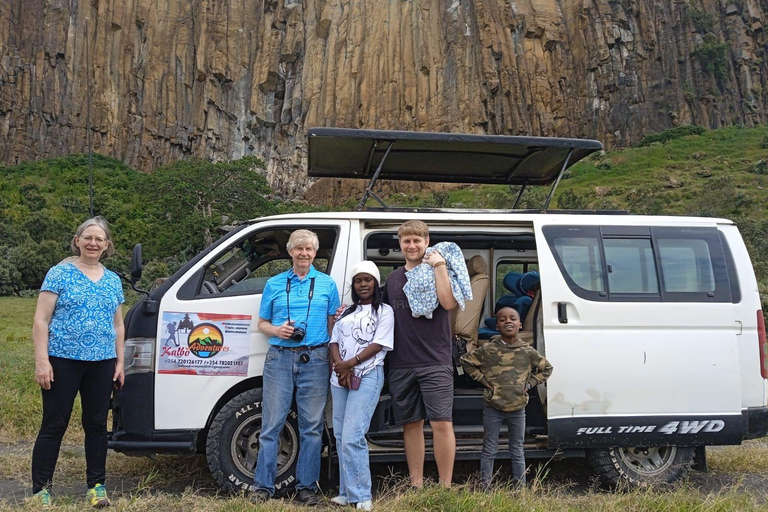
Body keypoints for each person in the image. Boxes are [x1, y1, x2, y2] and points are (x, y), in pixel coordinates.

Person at [30, 217, 125, 508]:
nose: (93, 243)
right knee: (54, 424)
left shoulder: (113, 280)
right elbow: (41, 319)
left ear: (107, 245)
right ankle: (41, 490)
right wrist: (42, 361)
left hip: (102, 362)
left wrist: (120, 362)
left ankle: (96, 487)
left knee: (96, 425)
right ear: (77, 240)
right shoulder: (59, 274)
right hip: (62, 361)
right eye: (88, 237)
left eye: (99, 239)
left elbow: (118, 325)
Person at [252, 229, 340, 506]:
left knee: (312, 427)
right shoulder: (274, 284)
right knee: (271, 425)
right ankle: (262, 487)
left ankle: (307, 488)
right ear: (290, 251)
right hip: (280, 357)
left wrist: (332, 356)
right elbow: (262, 324)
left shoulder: (327, 284)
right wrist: (277, 329)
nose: (304, 253)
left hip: (315, 358)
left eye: (309, 249)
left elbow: (332, 326)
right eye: (299, 249)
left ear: (315, 253)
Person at [385, 220, 457, 488]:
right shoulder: (392, 279)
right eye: (407, 241)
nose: (412, 245)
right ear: (400, 245)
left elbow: (448, 303)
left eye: (417, 240)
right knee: (411, 425)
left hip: (435, 360)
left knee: (441, 423)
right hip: (401, 362)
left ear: (427, 242)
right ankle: (417, 486)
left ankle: (445, 488)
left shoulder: (439, 270)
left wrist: (439, 265)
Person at [460, 305, 553, 488]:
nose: (508, 322)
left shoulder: (528, 352)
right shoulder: (488, 349)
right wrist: (483, 380)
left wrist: (530, 384)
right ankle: (486, 488)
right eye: (502, 319)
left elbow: (547, 369)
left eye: (512, 319)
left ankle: (521, 490)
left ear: (519, 324)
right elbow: (466, 362)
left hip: (518, 408)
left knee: (517, 450)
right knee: (489, 450)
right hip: (493, 408)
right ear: (497, 326)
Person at [329, 261, 394, 511]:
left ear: (376, 283)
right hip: (340, 377)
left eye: (368, 280)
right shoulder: (346, 311)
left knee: (353, 435)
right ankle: (346, 492)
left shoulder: (384, 311)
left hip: (367, 374)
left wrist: (351, 364)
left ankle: (362, 495)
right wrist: (340, 366)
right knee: (340, 435)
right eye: (358, 280)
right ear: (354, 285)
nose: (363, 284)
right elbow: (333, 341)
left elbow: (379, 343)